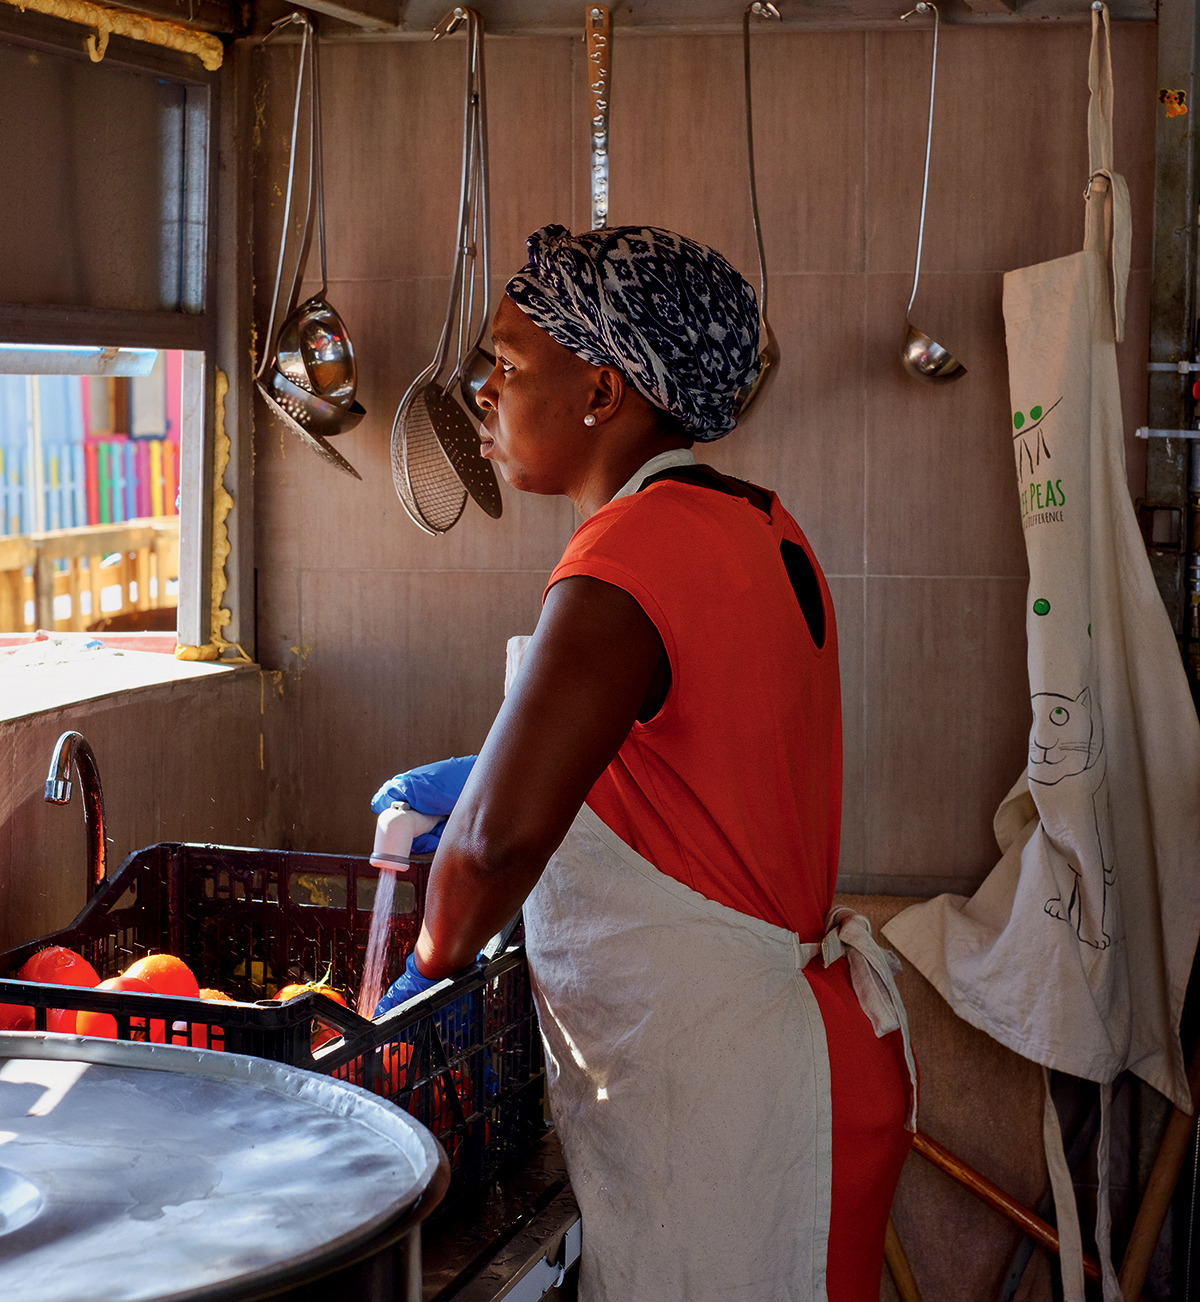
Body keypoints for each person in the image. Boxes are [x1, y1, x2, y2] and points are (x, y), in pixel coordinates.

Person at [375, 224, 916, 1302]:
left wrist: (412, 987)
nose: (484, 391)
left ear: (603, 391)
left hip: (731, 1102)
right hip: (798, 1070)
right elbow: (682, 783)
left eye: (511, 363)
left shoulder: (628, 554)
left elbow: (492, 845)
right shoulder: (756, 524)